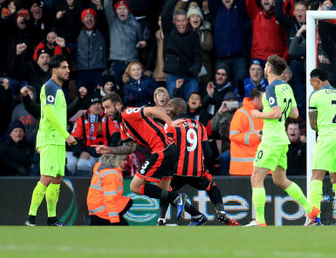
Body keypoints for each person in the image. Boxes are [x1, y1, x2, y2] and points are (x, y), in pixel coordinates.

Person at [93, 93, 207, 226]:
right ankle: (196, 215)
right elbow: (129, 147)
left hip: (162, 150)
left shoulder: (127, 113)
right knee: (164, 191)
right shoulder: (122, 123)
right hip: (168, 150)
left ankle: (178, 198)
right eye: (104, 108)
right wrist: (109, 149)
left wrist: (170, 122)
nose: (105, 112)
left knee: (135, 187)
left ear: (118, 105)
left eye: (107, 107)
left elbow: (151, 110)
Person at [247, 55, 320, 226]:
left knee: (256, 178)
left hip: (271, 140)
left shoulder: (271, 88)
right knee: (280, 180)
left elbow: (277, 113)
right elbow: (295, 113)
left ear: (270, 69)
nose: (265, 68)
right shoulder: (286, 87)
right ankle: (311, 211)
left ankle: (260, 221)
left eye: (266, 66)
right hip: (282, 140)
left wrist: (259, 114)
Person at [157, 98, 239, 226]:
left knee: (166, 190)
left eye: (169, 106)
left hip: (176, 170)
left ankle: (161, 219)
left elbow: (168, 149)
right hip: (197, 170)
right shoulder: (200, 126)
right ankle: (221, 212)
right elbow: (209, 153)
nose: (166, 109)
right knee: (212, 188)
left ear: (179, 109)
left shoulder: (170, 125)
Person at [25, 55, 77, 227]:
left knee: (57, 178)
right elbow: (49, 114)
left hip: (57, 140)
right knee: (46, 177)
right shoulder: (49, 87)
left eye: (68, 67)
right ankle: (31, 217)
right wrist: (66, 134)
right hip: (50, 139)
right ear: (54, 70)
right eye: (64, 67)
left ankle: (52, 219)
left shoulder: (59, 89)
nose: (68, 70)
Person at [308, 68, 336, 226]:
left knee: (316, 177)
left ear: (317, 80)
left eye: (312, 83)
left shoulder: (316, 95)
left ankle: (315, 219)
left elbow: (313, 125)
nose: (312, 87)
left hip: (327, 137)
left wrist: (326, 129)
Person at [68, 94, 120, 176]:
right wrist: (80, 153)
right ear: (89, 106)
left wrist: (110, 150)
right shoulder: (82, 119)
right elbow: (74, 139)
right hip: (88, 153)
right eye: (93, 104)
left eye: (98, 103)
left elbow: (116, 135)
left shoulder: (109, 117)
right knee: (81, 164)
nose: (96, 106)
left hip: (104, 152)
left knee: (107, 164)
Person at [87, 154, 133, 225]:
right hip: (103, 212)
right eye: (123, 160)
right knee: (128, 202)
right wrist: (114, 220)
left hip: (96, 209)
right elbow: (109, 199)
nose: (126, 162)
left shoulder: (102, 168)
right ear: (116, 161)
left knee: (127, 201)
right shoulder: (112, 175)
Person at [227, 88, 264, 176]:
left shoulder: (259, 114)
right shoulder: (241, 113)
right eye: (264, 99)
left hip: (257, 168)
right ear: (256, 99)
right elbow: (233, 136)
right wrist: (256, 136)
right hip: (243, 170)